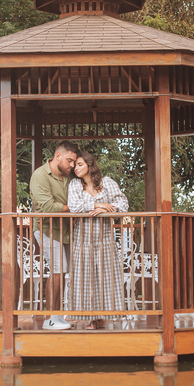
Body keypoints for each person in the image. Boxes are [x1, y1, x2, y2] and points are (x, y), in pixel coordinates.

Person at [67, 151, 129, 330]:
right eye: (75, 165)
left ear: (89, 165)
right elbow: (74, 206)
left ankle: (102, 318)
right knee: (85, 279)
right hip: (83, 240)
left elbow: (123, 203)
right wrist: (97, 205)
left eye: (79, 164)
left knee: (105, 278)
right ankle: (90, 318)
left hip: (105, 241)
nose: (76, 168)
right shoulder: (74, 185)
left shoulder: (107, 182)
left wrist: (106, 210)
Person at [29, 141, 80, 329]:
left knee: (62, 271)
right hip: (47, 229)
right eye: (69, 160)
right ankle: (50, 319)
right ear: (58, 155)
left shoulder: (68, 176)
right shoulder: (40, 175)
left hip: (65, 230)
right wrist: (76, 209)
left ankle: (57, 317)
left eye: (74, 162)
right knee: (58, 270)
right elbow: (47, 207)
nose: (72, 165)